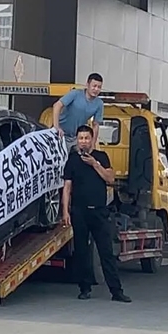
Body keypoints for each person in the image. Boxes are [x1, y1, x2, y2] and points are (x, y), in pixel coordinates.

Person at [62, 124, 131, 303]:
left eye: (86, 138)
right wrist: (65, 211)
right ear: (77, 141)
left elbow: (110, 178)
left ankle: (116, 291)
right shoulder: (72, 160)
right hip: (79, 211)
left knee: (106, 251)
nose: (83, 141)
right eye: (81, 138)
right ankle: (84, 288)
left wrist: (95, 164)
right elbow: (67, 187)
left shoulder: (101, 157)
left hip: (99, 212)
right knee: (81, 251)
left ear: (92, 139)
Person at [53, 73, 104, 151]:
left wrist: (92, 144)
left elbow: (96, 125)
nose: (96, 89)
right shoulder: (75, 94)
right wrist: (56, 127)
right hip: (60, 134)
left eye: (99, 87)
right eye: (94, 86)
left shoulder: (99, 103)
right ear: (87, 85)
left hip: (77, 138)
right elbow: (57, 105)